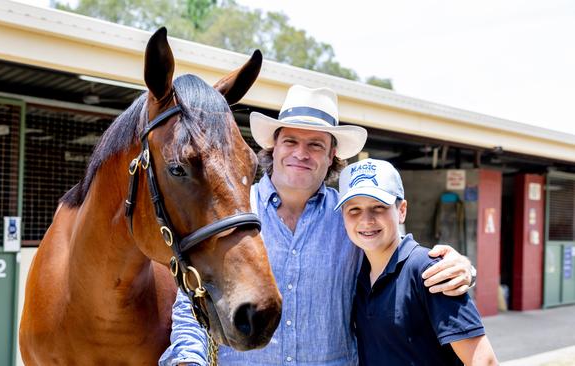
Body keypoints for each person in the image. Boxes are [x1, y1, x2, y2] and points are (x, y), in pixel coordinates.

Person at [159, 85, 475, 366]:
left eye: (315, 145)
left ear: (331, 155)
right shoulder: (231, 212)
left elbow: (401, 266)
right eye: (291, 141)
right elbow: (192, 299)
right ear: (274, 147)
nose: (301, 153)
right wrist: (188, 359)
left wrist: (460, 268)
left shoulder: (352, 217)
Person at [336, 158, 497, 365]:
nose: (366, 220)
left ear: (401, 210)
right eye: (354, 210)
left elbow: (484, 361)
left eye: (378, 207)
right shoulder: (357, 274)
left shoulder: (430, 271)